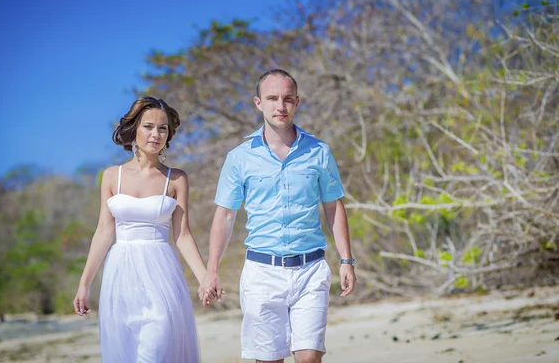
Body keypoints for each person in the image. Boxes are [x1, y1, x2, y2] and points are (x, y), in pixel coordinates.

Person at [200, 69, 357, 363]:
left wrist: (346, 260)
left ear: (296, 102)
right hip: (262, 272)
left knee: (309, 357)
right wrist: (212, 270)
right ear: (258, 102)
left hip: (310, 268)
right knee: (269, 360)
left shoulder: (319, 152)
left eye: (287, 99)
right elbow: (224, 216)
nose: (280, 106)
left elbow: (334, 207)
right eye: (272, 98)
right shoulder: (239, 157)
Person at [73, 96, 209, 363]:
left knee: (155, 349)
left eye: (163, 128)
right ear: (134, 128)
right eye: (148, 126)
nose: (156, 134)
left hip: (161, 275)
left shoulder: (177, 178)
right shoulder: (112, 176)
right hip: (120, 275)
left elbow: (182, 235)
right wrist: (84, 284)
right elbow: (104, 232)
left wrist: (206, 277)